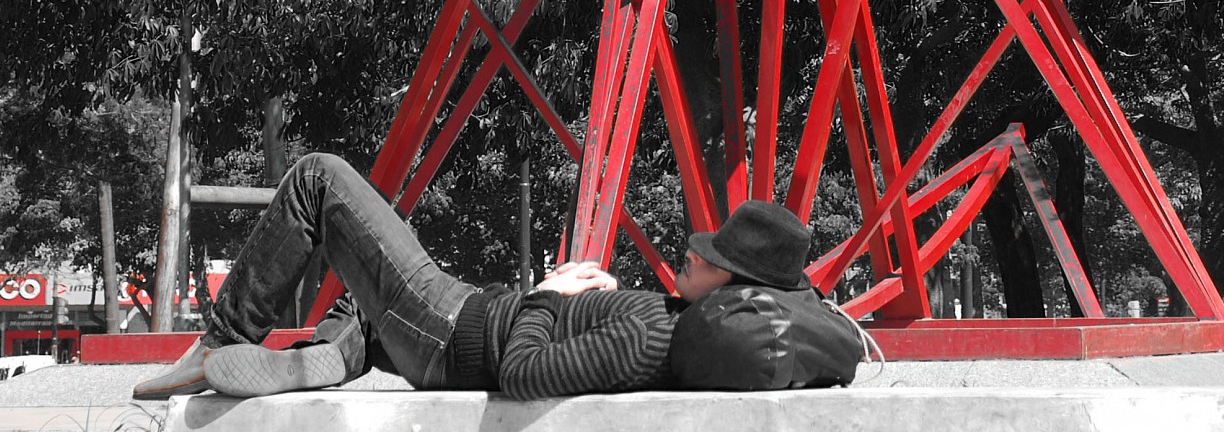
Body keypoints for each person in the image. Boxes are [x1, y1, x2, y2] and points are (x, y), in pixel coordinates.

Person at [132, 153, 820, 400]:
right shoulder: (680, 322)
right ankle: (338, 350)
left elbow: (521, 373)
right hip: (456, 321)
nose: (692, 255)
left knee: (318, 178)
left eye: (711, 260)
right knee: (369, 306)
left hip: (449, 330)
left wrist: (551, 296)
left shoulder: (650, 342)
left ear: (736, 288)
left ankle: (222, 341)